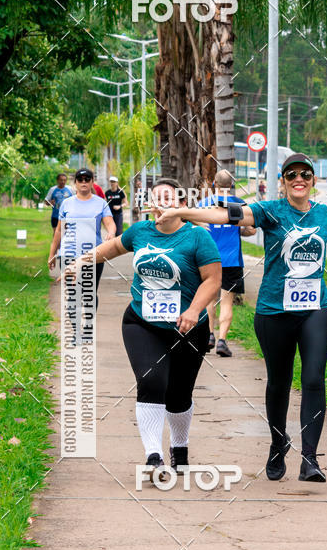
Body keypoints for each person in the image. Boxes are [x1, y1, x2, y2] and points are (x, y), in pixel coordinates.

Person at [152, 153, 327, 483]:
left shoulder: (323, 215)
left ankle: (310, 458)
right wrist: (180, 211)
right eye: (292, 174)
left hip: (315, 309)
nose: (299, 179)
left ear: (313, 180)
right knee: (279, 383)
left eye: (306, 174)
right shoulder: (270, 210)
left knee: (313, 379)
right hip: (273, 311)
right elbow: (224, 215)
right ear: (282, 181)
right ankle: (279, 443)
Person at [61, 177, 221, 477]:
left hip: (188, 327)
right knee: (152, 381)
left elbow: (213, 281)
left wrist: (193, 310)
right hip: (142, 322)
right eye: (156, 198)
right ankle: (154, 456)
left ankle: (180, 447)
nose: (161, 203)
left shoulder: (199, 238)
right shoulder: (140, 232)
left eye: (168, 198)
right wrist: (78, 263)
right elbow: (109, 249)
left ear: (181, 204)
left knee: (179, 395)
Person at [198, 170, 256, 356]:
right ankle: (222, 341)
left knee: (208, 299)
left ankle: (209, 336)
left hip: (208, 259)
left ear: (214, 184)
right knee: (226, 301)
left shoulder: (203, 204)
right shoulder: (239, 204)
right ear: (231, 185)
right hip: (231, 260)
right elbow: (250, 230)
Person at [48, 168, 115, 310]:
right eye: (80, 179)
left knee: (89, 294)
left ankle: (86, 329)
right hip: (69, 254)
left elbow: (110, 223)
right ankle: (75, 332)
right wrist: (52, 254)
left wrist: (111, 233)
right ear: (76, 183)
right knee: (72, 294)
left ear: (92, 182)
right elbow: (59, 230)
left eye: (87, 179)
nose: (83, 182)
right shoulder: (66, 203)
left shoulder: (101, 203)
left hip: (94, 255)